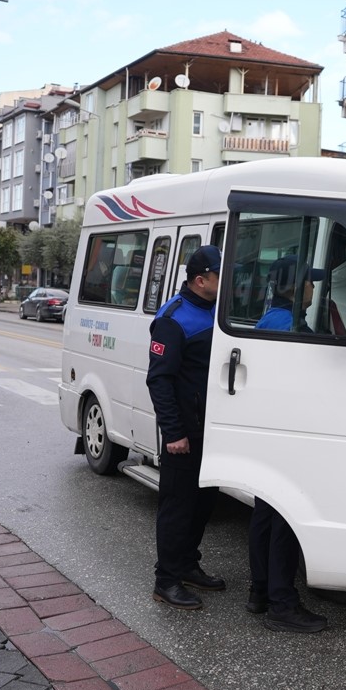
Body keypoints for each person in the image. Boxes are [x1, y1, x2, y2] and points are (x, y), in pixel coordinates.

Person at [247, 255, 329, 633]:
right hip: (287, 432)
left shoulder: (269, 317)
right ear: (293, 288)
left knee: (265, 514)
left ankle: (260, 592)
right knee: (286, 517)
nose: (313, 288)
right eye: (309, 282)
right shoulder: (291, 324)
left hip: (267, 430)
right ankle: (283, 602)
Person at [147, 245, 224, 610]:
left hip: (211, 429)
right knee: (177, 506)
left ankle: (188, 565)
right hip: (184, 432)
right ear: (200, 280)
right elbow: (159, 380)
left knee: (203, 502)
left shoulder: (218, 313)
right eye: (220, 275)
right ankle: (167, 579)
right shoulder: (173, 318)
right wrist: (173, 432)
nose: (226, 282)